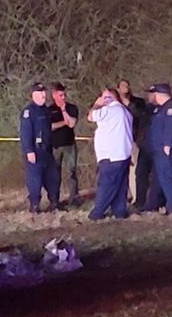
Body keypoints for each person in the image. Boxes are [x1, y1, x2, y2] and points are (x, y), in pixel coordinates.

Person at [86, 87, 134, 220]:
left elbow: (90, 116)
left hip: (110, 155)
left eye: (105, 97)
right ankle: (119, 212)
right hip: (123, 154)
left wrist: (97, 104)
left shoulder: (110, 110)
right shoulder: (126, 112)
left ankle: (97, 213)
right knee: (120, 186)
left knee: (106, 185)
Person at [18, 81, 60, 213]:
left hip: (47, 151)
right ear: (33, 95)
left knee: (53, 178)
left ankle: (54, 203)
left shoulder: (46, 111)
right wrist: (29, 151)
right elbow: (25, 134)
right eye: (40, 93)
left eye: (44, 92)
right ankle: (35, 205)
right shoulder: (28, 112)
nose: (43, 95)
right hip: (35, 151)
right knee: (35, 180)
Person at [142, 83, 172, 215]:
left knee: (167, 178)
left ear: (159, 94)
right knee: (157, 179)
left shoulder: (171, 108)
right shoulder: (159, 109)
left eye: (154, 94)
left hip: (165, 150)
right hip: (157, 150)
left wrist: (168, 145)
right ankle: (153, 205)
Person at [47, 82, 79, 206]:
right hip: (55, 146)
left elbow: (72, 123)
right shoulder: (49, 110)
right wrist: (64, 123)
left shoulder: (71, 108)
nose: (63, 97)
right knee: (55, 173)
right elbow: (50, 126)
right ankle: (54, 200)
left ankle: (74, 198)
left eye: (64, 95)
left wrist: (64, 110)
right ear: (54, 95)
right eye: (60, 95)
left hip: (70, 144)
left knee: (71, 172)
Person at [121, 78, 151, 206]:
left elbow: (142, 117)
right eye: (123, 86)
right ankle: (122, 196)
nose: (126, 88)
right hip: (118, 142)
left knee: (135, 170)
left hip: (133, 139)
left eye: (127, 86)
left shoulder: (138, 102)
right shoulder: (113, 103)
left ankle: (135, 197)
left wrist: (129, 105)